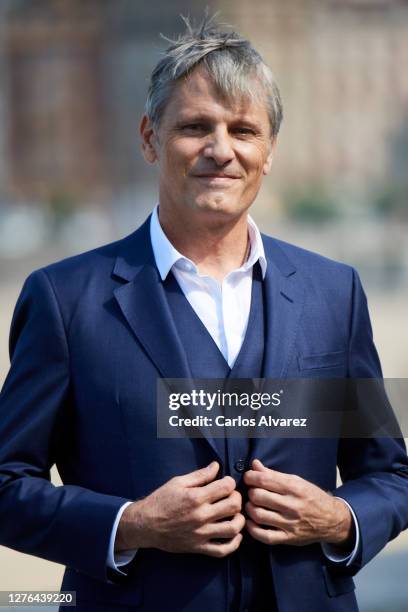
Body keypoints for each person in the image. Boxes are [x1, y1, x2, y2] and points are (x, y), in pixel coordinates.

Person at [0, 15, 407, 612]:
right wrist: (130, 524)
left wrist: (339, 516)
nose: (222, 150)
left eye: (244, 130)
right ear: (149, 138)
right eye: (195, 126)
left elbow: (393, 476)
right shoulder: (66, 302)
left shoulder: (333, 295)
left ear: (268, 152)